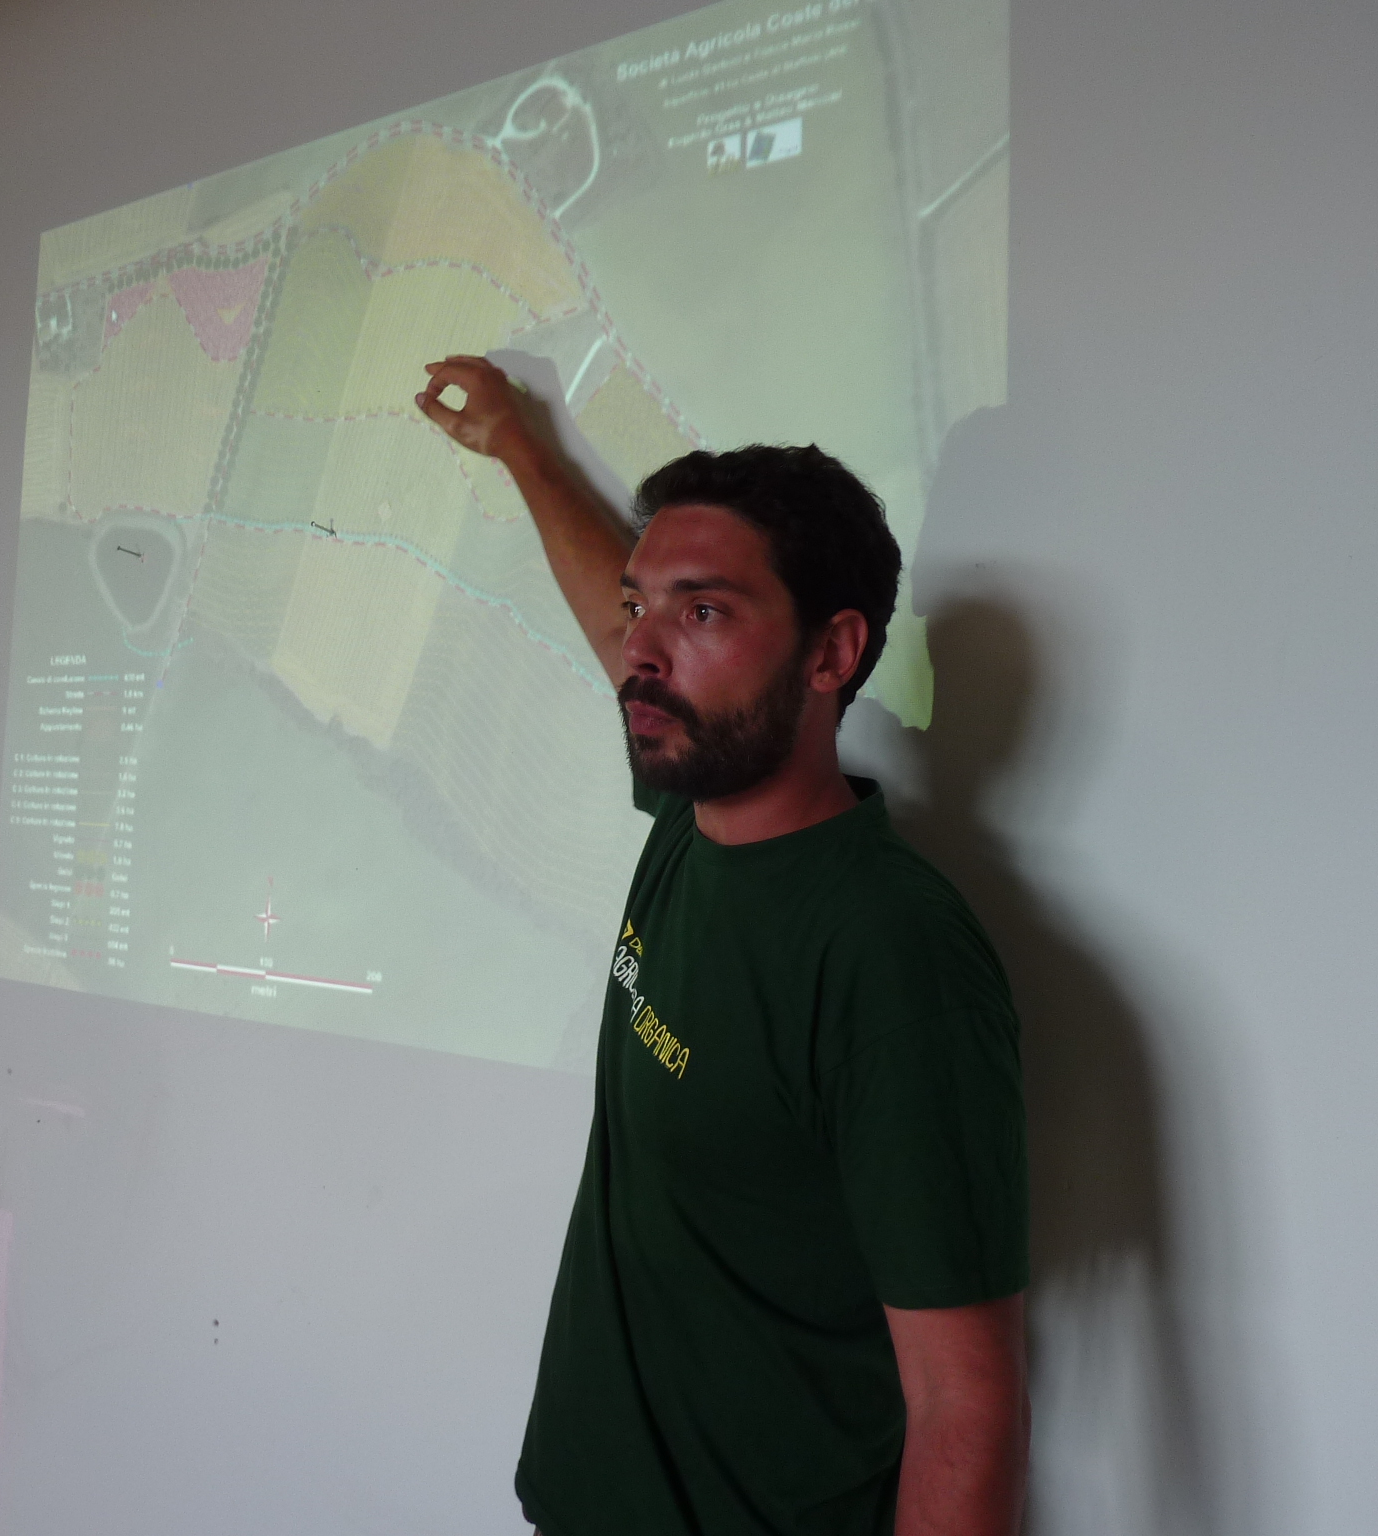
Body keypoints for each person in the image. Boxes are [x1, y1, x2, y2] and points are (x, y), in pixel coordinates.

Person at [415, 357, 1030, 1536]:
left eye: (702, 612)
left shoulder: (890, 957)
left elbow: (965, 1404)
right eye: (640, 607)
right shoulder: (693, 815)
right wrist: (519, 447)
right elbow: (623, 635)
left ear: (829, 654)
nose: (643, 651)